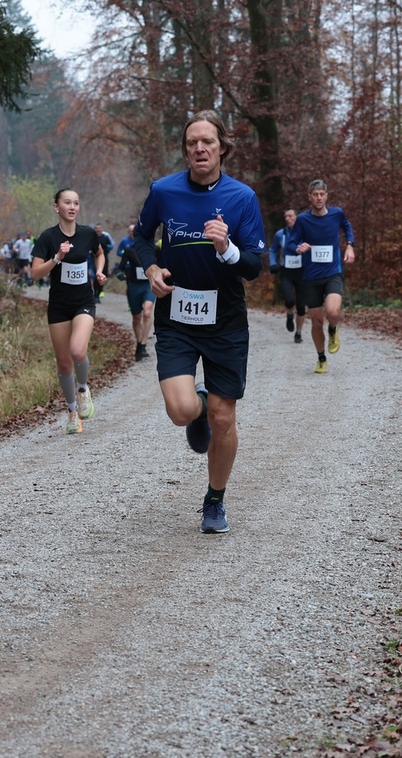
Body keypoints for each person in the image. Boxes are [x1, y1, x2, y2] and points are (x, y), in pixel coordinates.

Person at [131, 109, 266, 534]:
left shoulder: (242, 197)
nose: (200, 148)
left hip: (225, 319)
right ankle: (199, 404)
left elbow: (255, 266)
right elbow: (140, 237)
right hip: (177, 315)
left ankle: (214, 500)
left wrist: (227, 248)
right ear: (185, 150)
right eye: (192, 143)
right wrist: (152, 268)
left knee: (224, 420)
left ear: (222, 147)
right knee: (180, 410)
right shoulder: (164, 191)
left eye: (207, 141)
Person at [30, 189, 106, 434]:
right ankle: (73, 412)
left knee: (77, 351)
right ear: (56, 207)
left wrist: (99, 271)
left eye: (76, 203)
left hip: (83, 301)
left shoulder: (87, 234)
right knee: (64, 364)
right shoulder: (48, 237)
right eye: (67, 202)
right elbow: (35, 273)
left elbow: (99, 253)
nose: (72, 207)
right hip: (59, 306)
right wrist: (57, 258)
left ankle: (83, 389)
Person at [291, 179, 355, 373]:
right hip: (311, 277)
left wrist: (350, 245)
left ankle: (333, 329)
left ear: (326, 196)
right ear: (309, 197)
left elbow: (347, 227)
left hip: (333, 273)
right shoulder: (303, 220)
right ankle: (321, 358)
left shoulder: (337, 214)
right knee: (317, 321)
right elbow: (292, 243)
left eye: (322, 194)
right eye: (315, 195)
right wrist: (298, 247)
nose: (319, 198)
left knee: (333, 312)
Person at [118, 223, 155, 361]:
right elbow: (120, 267)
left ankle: (144, 344)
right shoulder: (129, 250)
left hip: (148, 285)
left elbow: (162, 264)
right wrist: (120, 274)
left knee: (147, 312)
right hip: (134, 286)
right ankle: (139, 343)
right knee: (136, 317)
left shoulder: (154, 249)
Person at [270, 208, 305, 343]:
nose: (287, 219)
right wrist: (273, 264)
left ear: (297, 218)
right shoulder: (280, 234)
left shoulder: (305, 233)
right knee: (289, 300)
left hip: (302, 272)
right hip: (286, 272)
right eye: (285, 216)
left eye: (290, 216)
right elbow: (273, 250)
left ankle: (298, 333)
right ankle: (290, 315)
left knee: (301, 306)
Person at [94, 223, 115, 302]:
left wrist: (106, 248)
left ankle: (99, 292)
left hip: (104, 259)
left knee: (104, 276)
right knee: (95, 276)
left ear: (101, 229)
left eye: (99, 228)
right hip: (93, 259)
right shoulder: (93, 237)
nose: (98, 230)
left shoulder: (105, 237)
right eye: (96, 228)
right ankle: (95, 295)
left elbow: (111, 245)